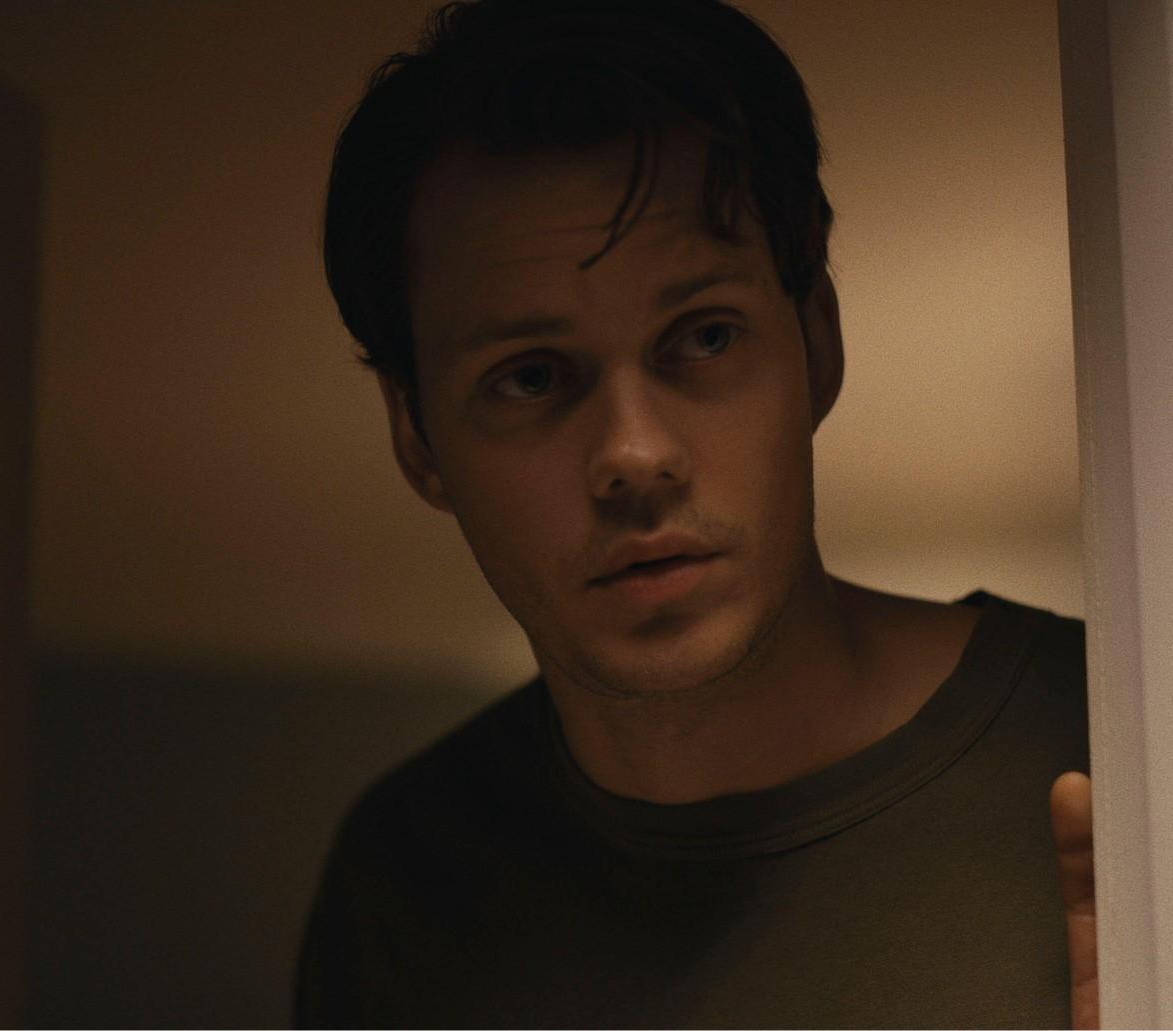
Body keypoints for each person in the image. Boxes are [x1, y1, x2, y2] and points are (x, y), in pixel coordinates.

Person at [300, 0, 1098, 1025]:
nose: (635, 455)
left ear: (817, 337)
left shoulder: (1120, 739)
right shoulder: (402, 882)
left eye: (705, 336)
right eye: (532, 376)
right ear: (416, 434)